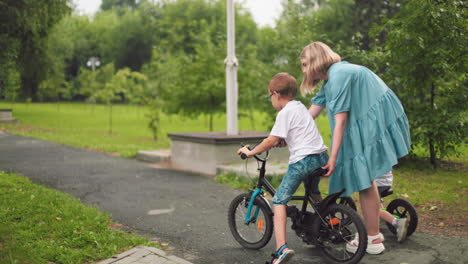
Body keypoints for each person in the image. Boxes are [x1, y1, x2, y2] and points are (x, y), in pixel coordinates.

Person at [301, 41, 411, 254]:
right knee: (365, 180)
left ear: (316, 60)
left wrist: (333, 158)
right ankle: (374, 235)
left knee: (364, 180)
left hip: (372, 122)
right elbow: (310, 114)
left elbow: (340, 120)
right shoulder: (331, 79)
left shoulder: (338, 76)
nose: (303, 70)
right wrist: (283, 135)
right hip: (368, 122)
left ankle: (373, 240)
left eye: (305, 64)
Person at [237, 72, 328, 264]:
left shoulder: (284, 112)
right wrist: (284, 141)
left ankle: (281, 249)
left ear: (276, 93)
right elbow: (297, 133)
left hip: (302, 161)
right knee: (312, 191)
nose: (271, 100)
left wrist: (251, 152)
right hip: (320, 157)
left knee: (279, 201)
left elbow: (270, 140)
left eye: (270, 96)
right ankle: (325, 222)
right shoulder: (300, 107)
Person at [376, 171, 409, 242]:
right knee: (375, 201)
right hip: (387, 181)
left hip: (377, 183)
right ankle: (379, 218)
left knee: (371, 209)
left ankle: (396, 222)